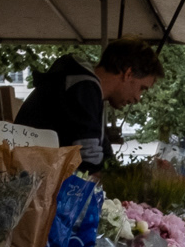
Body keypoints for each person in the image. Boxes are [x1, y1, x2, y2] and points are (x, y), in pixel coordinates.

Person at [13, 42, 163, 167]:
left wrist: (144, 169)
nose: (138, 98)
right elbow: (90, 165)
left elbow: (104, 159)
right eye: (142, 88)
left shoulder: (86, 89)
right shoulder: (83, 88)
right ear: (128, 73)